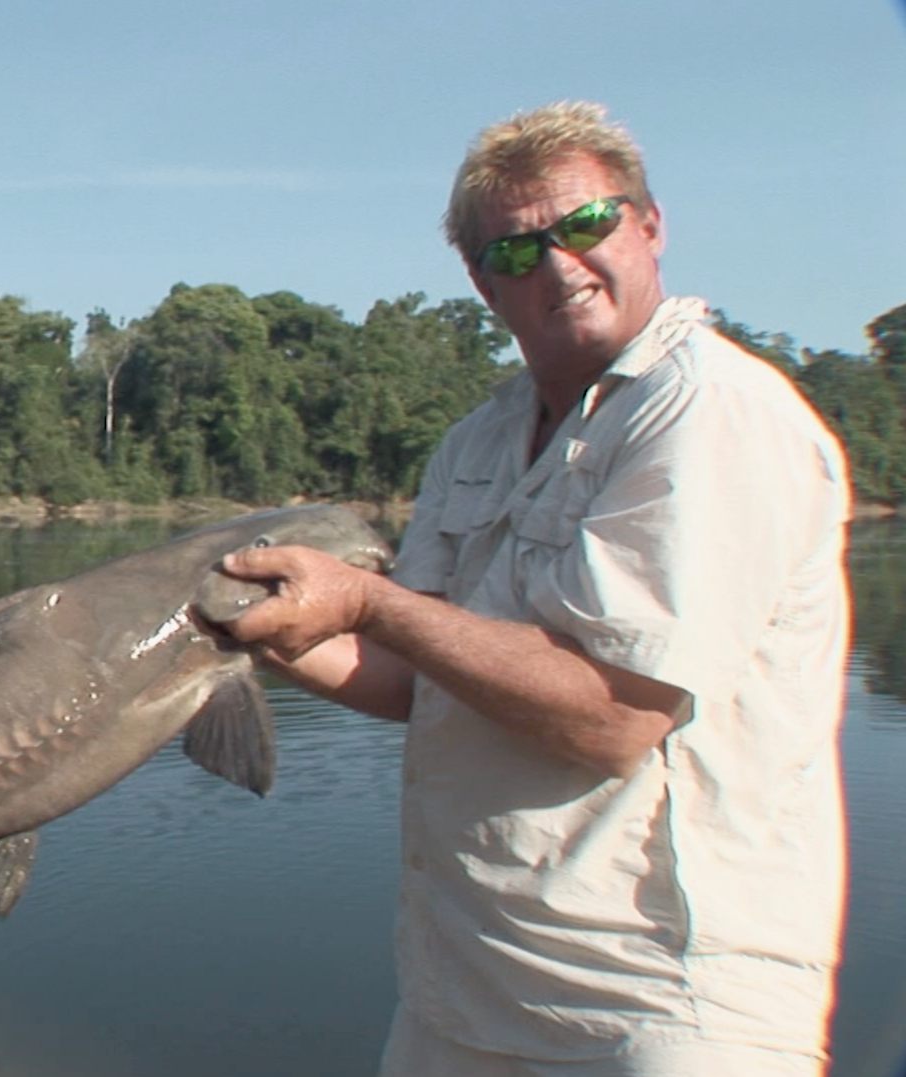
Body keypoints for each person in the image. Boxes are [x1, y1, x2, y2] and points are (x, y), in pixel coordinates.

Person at [212, 102, 849, 1076]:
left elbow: (612, 714)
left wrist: (368, 599)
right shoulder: (479, 439)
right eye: (515, 252)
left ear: (649, 225)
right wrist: (260, 623)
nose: (558, 265)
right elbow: (410, 676)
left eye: (586, 224)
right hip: (467, 989)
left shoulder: (712, 412)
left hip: (664, 1004)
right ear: (481, 282)